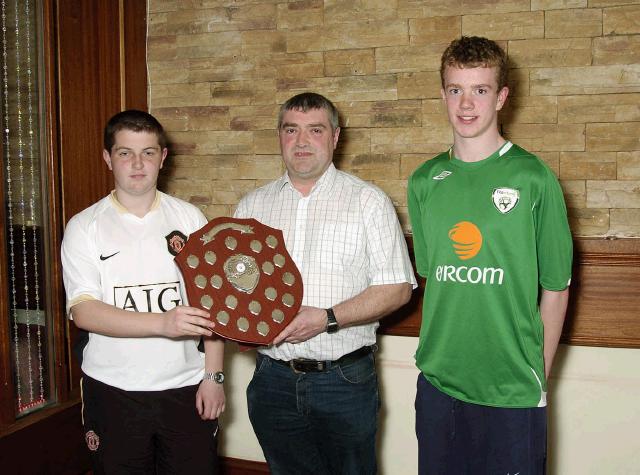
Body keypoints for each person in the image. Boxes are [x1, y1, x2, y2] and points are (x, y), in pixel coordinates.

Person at [407, 36, 573, 474]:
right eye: (455, 89)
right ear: (443, 94)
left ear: (501, 97)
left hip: (512, 392)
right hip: (438, 387)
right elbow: (434, 277)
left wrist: (539, 377)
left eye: (480, 90)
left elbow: (556, 290)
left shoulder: (534, 178)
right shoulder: (424, 181)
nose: (466, 104)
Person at [234, 92, 416, 475]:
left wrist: (327, 318)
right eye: (291, 130)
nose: (301, 142)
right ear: (279, 136)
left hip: (343, 380)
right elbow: (238, 287)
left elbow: (398, 287)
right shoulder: (252, 207)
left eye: (315, 130)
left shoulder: (368, 202)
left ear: (335, 137)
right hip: (272, 379)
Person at [61, 110, 225, 474]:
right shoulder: (84, 226)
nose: (138, 164)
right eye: (125, 153)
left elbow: (213, 310)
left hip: (186, 387)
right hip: (113, 391)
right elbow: (84, 311)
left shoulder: (190, 219)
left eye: (148, 153)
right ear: (108, 158)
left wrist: (213, 377)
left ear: (163, 158)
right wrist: (163, 324)